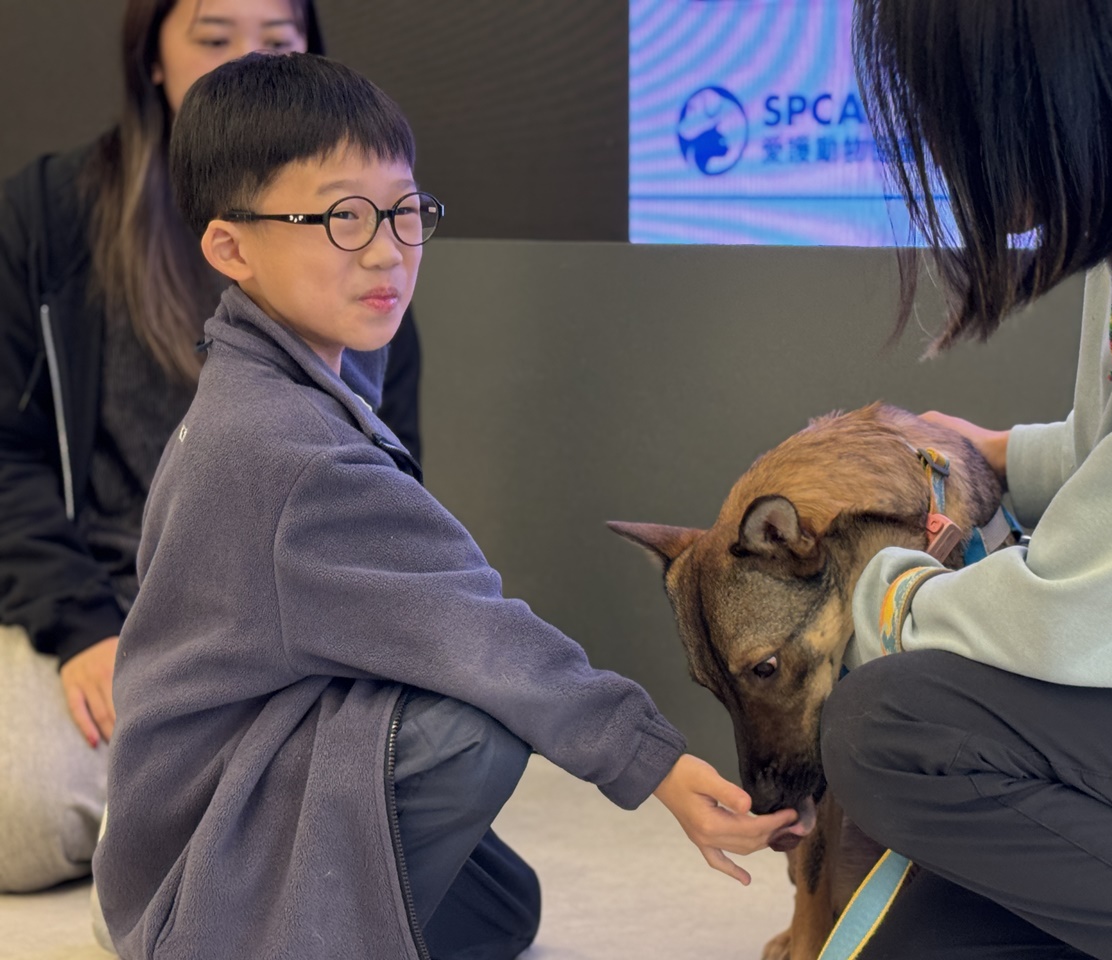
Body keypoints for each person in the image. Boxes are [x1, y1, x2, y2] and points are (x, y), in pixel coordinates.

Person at [92, 52, 804, 960]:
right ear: (232, 248)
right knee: (476, 721)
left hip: (216, 807)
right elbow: (479, 630)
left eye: (403, 210)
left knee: (504, 915)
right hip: (208, 869)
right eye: (343, 217)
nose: (387, 249)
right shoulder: (285, 450)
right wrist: (654, 762)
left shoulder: (261, 385)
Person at [817, 1, 1112, 958]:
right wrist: (998, 455)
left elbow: (1073, 614)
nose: (944, 153)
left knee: (889, 727)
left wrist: (875, 594)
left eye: (957, 114)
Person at [0, 0, 422, 896]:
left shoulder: (365, 235)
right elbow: (8, 454)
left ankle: (205, 822)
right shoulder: (46, 215)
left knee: (424, 776)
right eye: (214, 37)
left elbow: (392, 479)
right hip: (98, 598)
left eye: (276, 41)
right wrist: (81, 628)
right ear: (152, 55)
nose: (243, 65)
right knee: (23, 821)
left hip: (278, 612)